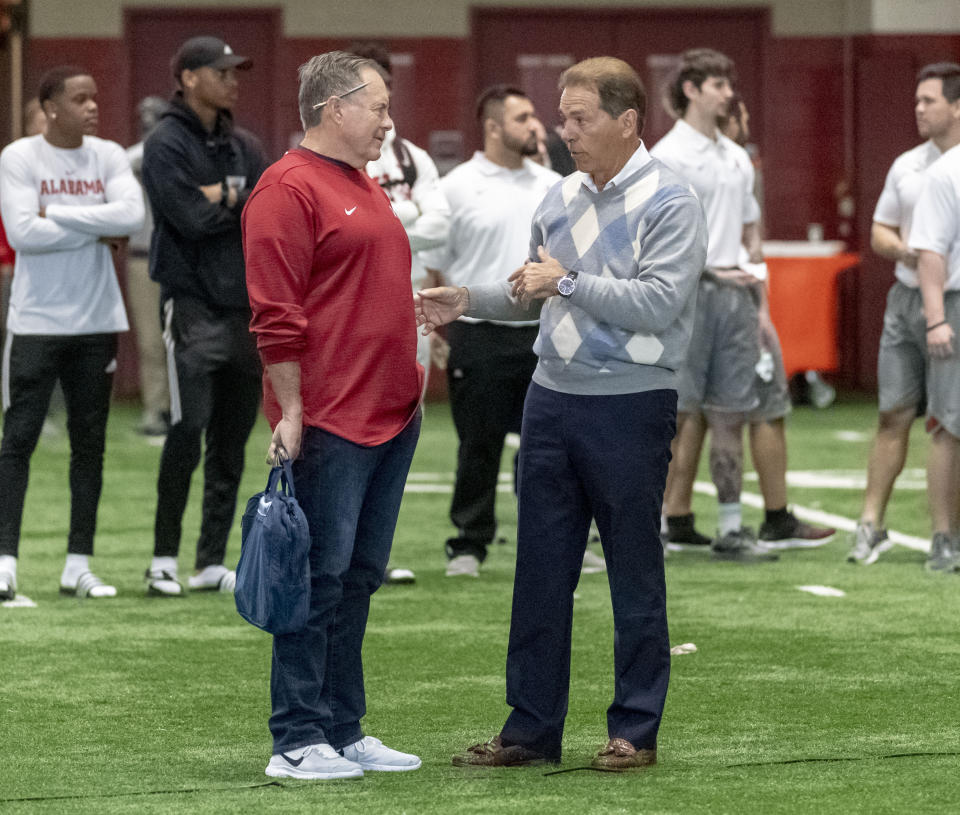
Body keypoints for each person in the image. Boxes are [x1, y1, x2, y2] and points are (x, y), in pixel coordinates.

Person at [417, 56, 706, 769]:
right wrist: (469, 299)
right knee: (540, 571)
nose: (563, 129)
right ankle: (529, 730)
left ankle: (635, 729)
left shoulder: (673, 199)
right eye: (562, 114)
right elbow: (529, 288)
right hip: (550, 398)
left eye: (581, 118)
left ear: (628, 120)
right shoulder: (558, 198)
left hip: (632, 403)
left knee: (633, 568)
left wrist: (568, 280)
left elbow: (659, 301)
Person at [243, 50, 424, 781]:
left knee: (357, 578)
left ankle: (343, 726)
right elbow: (275, 315)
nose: (388, 121)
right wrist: (291, 409)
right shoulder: (286, 189)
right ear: (334, 108)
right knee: (316, 579)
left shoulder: (362, 184)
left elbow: (355, 289)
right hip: (331, 417)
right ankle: (295, 736)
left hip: (391, 409)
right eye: (378, 107)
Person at [0, 65, 144, 601]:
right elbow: (22, 234)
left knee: (90, 447)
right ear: (51, 107)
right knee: (18, 443)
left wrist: (56, 210)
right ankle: (5, 563)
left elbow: (131, 214)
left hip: (97, 322)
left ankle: (77, 564)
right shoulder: (19, 157)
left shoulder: (107, 154)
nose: (92, 107)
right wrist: (94, 226)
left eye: (95, 97)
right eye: (79, 99)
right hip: (36, 322)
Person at [141, 36, 267, 596]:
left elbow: (264, 216)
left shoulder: (244, 145)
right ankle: (162, 558)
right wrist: (228, 204)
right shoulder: (164, 142)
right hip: (191, 307)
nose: (232, 79)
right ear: (189, 77)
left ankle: (210, 560)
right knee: (187, 428)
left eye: (235, 71)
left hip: (245, 310)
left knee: (231, 440)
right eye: (220, 71)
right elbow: (189, 219)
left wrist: (223, 196)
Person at [422, 84, 560, 578]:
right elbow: (435, 267)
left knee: (546, 447)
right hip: (478, 334)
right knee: (478, 445)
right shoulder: (456, 186)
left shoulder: (552, 183)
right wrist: (444, 329)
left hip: (541, 332)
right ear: (494, 126)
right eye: (523, 117)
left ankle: (551, 542)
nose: (535, 126)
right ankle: (468, 545)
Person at [849, 62, 960, 566]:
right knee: (893, 413)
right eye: (916, 101)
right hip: (907, 298)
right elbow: (880, 231)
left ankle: (943, 535)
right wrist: (908, 251)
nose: (918, 109)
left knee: (945, 423)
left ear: (955, 106)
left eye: (929, 101)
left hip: (951, 301)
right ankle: (870, 524)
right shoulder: (907, 165)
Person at [352, 41, 451, 585]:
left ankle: (376, 552)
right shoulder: (331, 159)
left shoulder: (413, 158)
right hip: (350, 312)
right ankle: (340, 549)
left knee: (399, 428)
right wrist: (403, 216)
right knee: (350, 433)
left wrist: (384, 222)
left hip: (408, 305)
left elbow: (442, 225)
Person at [902, 82, 960, 572]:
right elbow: (930, 251)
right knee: (947, 423)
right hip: (956, 308)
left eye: (929, 100)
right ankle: (943, 536)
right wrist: (936, 317)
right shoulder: (946, 173)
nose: (918, 110)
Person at [126, 96, 170, 436]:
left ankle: (180, 411)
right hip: (141, 254)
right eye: (144, 116)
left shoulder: (178, 152)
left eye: (155, 116)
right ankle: (156, 410)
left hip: (176, 256)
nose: (149, 121)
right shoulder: (130, 157)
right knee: (150, 341)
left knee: (179, 338)